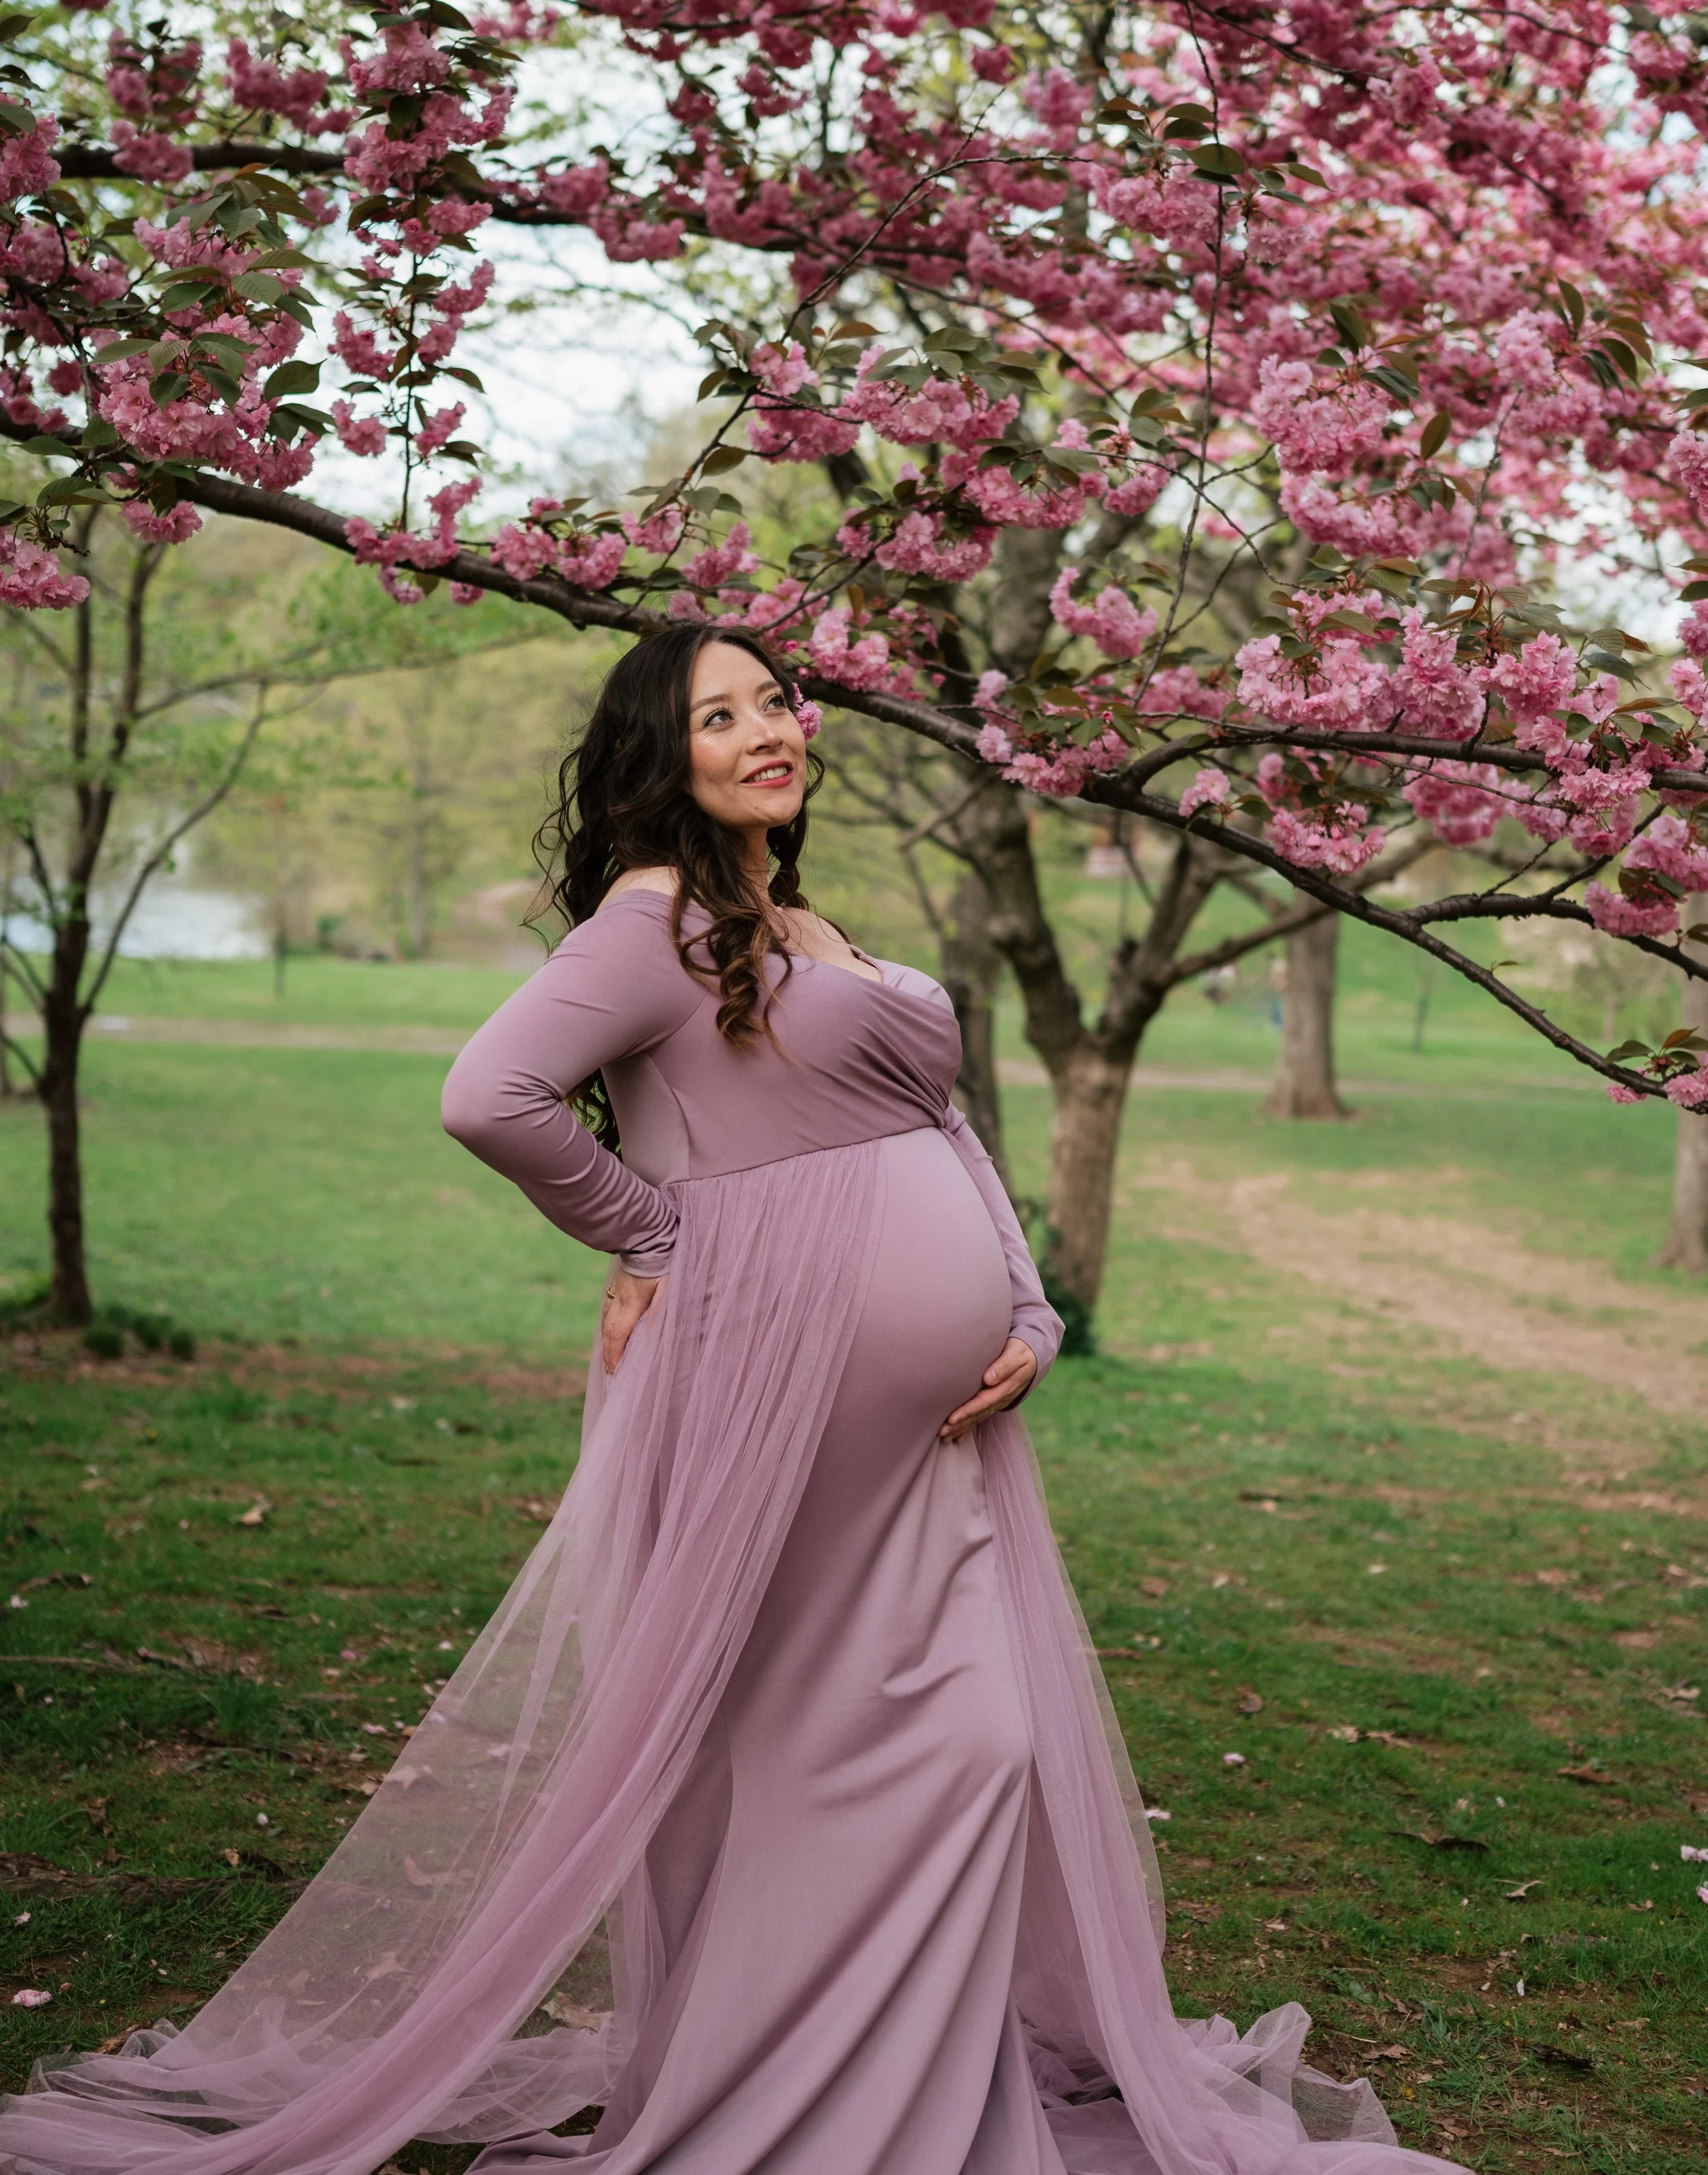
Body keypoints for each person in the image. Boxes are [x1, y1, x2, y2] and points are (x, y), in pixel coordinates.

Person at [0, 625, 1470, 2175]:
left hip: (925, 1412)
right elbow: (484, 1097)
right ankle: (810, 2094)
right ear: (662, 755)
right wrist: (654, 1230)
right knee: (845, 1737)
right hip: (778, 1378)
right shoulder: (654, 921)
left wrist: (1025, 1303)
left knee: (964, 1737)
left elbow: (939, 1121)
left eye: (775, 700)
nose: (768, 730)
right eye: (720, 716)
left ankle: (900, 2080)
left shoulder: (797, 915)